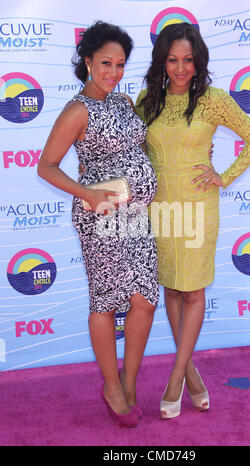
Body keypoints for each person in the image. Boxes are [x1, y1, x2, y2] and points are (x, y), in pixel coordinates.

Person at [135, 22, 250, 419]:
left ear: (198, 61)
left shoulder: (213, 100)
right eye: (172, 60)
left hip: (199, 207)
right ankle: (191, 374)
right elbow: (133, 149)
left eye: (187, 60)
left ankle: (174, 380)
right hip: (161, 211)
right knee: (171, 292)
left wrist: (222, 176)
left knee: (192, 292)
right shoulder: (147, 100)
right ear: (162, 61)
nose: (180, 68)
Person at [38, 21, 159, 427]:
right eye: (105, 62)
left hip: (138, 218)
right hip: (102, 220)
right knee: (106, 301)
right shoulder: (77, 110)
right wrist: (88, 194)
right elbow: (46, 167)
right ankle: (111, 385)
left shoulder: (123, 103)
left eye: (121, 64)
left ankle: (129, 377)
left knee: (144, 297)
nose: (113, 71)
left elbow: (136, 152)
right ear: (87, 61)